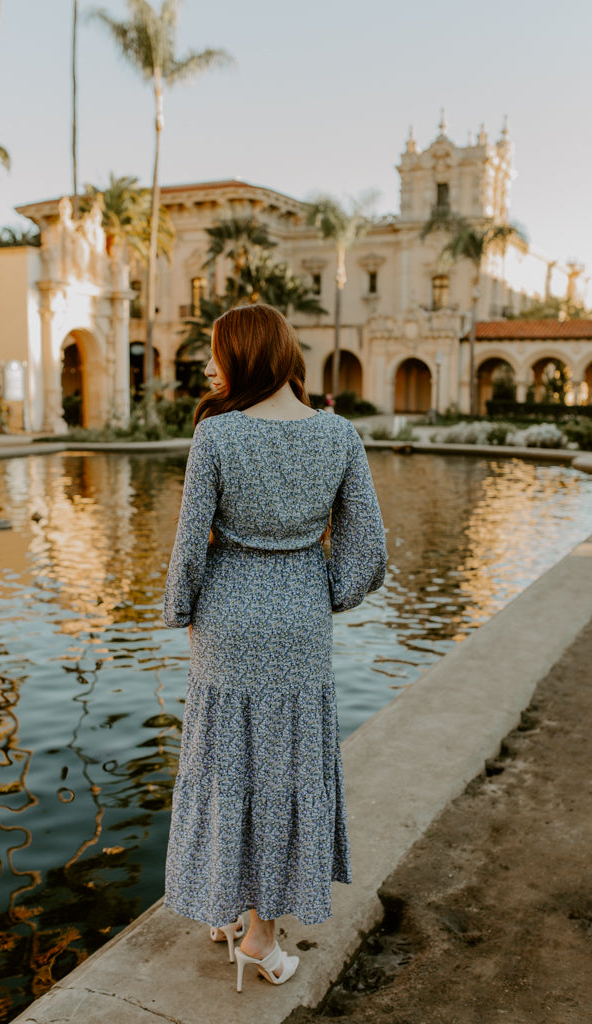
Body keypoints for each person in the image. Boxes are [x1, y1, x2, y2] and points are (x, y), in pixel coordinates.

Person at [163, 304, 387, 993]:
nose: (209, 366)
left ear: (245, 356)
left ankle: (233, 914)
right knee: (286, 769)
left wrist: (181, 609)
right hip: (300, 620)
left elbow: (189, 543)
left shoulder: (216, 434)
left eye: (217, 353)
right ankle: (259, 931)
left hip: (228, 619)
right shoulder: (338, 433)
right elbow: (369, 547)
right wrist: (326, 593)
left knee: (226, 763)